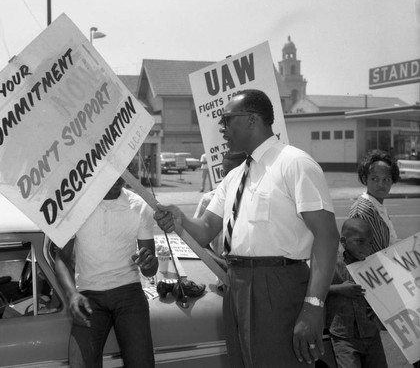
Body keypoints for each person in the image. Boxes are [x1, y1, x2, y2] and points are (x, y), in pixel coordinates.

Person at [154, 89, 340, 367]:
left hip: (278, 285)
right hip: (237, 285)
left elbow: (327, 236)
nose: (222, 128)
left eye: (227, 120)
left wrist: (314, 307)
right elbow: (205, 229)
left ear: (252, 120)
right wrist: (179, 218)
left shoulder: (294, 163)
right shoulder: (234, 176)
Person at [55, 171, 158, 368]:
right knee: (80, 364)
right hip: (88, 294)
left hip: (129, 292)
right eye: (110, 170)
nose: (116, 177)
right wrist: (72, 295)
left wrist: (149, 264)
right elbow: (61, 259)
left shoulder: (139, 205)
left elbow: (150, 270)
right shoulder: (76, 205)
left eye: (122, 169)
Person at [326, 217, 388, 368]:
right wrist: (339, 289)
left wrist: (378, 310)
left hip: (370, 333)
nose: (366, 247)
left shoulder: (372, 265)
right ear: (343, 241)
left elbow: (384, 294)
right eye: (360, 241)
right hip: (343, 337)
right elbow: (315, 289)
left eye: (370, 243)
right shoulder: (331, 263)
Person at [193, 151, 247, 287]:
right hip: (223, 280)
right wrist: (220, 263)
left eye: (236, 173)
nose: (230, 178)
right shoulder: (209, 200)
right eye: (226, 173)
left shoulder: (254, 200)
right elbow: (196, 241)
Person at [349, 149, 400, 254]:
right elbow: (373, 256)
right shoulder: (364, 210)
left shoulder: (377, 206)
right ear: (365, 179)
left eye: (386, 179)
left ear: (392, 181)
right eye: (374, 179)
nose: (381, 185)